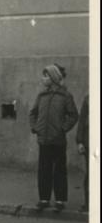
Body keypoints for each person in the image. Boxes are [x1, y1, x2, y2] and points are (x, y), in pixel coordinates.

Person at [28, 63, 78, 212]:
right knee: (44, 169)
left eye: (46, 76)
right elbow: (33, 113)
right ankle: (44, 199)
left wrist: (63, 129)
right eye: (43, 76)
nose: (43, 79)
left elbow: (73, 115)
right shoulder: (41, 96)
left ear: (54, 78)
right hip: (43, 139)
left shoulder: (65, 96)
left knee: (59, 170)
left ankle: (60, 200)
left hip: (58, 140)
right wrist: (35, 127)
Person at [76, 92, 89, 212]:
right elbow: (82, 120)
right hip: (89, 141)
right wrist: (80, 142)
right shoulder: (88, 99)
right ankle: (88, 203)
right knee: (90, 173)